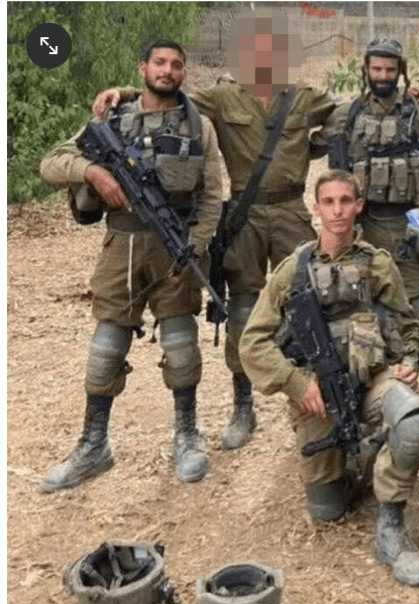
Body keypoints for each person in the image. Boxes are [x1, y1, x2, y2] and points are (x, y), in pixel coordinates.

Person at [94, 10, 337, 452]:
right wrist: (125, 93)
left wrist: (319, 144)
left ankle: (319, 402)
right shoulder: (223, 98)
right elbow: (170, 98)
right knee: (242, 309)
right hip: (243, 216)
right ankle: (243, 406)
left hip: (290, 211)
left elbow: (345, 112)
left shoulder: (305, 96)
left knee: (309, 301)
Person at [38, 39, 223, 491]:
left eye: (176, 64)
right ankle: (93, 445)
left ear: (184, 73)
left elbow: (212, 195)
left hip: (174, 244)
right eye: (159, 62)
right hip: (121, 244)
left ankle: (187, 436)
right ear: (143, 68)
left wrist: (195, 247)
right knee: (107, 345)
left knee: (181, 344)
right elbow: (51, 163)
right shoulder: (112, 118)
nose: (167, 70)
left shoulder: (198, 125)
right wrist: (93, 172)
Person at [238, 170, 419, 587]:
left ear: (359, 205)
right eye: (329, 202)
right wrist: (296, 383)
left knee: (415, 417)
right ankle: (364, 456)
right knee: (327, 511)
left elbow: (407, 325)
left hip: (374, 381)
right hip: (319, 398)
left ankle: (391, 524)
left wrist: (410, 361)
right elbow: (252, 343)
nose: (338, 210)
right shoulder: (293, 270)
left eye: (346, 201)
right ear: (316, 208)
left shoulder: (377, 263)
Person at [325, 37, 419, 378]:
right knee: (362, 314)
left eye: (390, 69)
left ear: (401, 71)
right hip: (363, 229)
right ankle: (375, 393)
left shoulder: (418, 115)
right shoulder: (348, 116)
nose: (383, 76)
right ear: (366, 70)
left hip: (410, 229)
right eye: (377, 69)